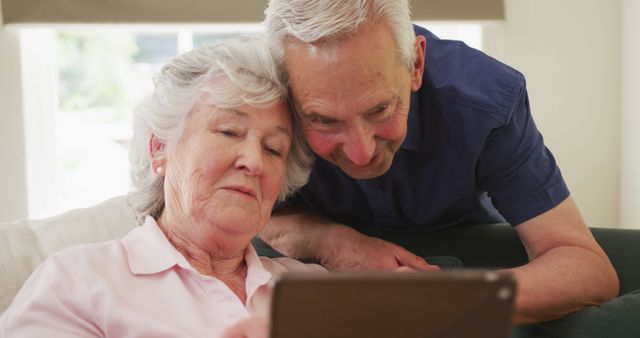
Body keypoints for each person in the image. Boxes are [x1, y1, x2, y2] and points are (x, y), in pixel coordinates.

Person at [258, 0, 619, 324]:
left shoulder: (486, 104)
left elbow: (587, 267)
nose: (361, 153)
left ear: (415, 64)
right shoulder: (261, 101)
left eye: (380, 109)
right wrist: (331, 244)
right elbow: (243, 217)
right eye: (323, 120)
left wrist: (444, 300)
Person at [0, 35, 324, 337]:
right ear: (159, 149)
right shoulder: (78, 279)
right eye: (229, 131)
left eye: (273, 150)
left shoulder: (315, 290)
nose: (254, 162)